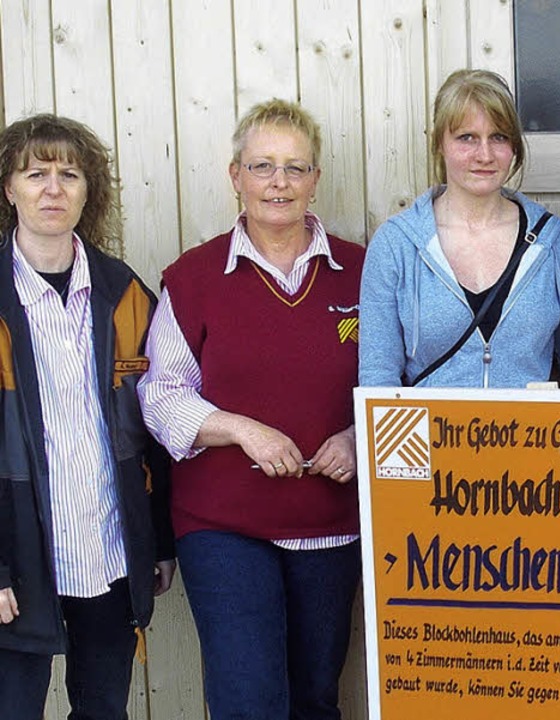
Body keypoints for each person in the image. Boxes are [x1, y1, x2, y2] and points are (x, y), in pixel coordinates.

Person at [138, 99, 363, 720]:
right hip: (224, 525)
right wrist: (241, 430)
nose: (279, 183)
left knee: (316, 697)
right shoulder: (193, 277)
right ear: (235, 175)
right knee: (248, 701)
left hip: (331, 521)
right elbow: (161, 397)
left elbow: (398, 382)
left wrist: (355, 434)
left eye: (295, 167)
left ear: (316, 179)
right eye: (262, 166)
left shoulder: (364, 273)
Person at [0, 114, 175, 720]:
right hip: (16, 557)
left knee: (103, 710)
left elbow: (154, 426)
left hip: (106, 549)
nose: (53, 188)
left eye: (69, 174)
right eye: (36, 173)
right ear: (10, 188)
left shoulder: (124, 292)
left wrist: (158, 538)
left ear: (87, 190)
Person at [360, 69, 560, 388]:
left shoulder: (553, 242)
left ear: (514, 146)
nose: (485, 155)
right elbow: (378, 374)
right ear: (440, 143)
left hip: (527, 436)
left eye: (499, 137)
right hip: (428, 436)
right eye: (467, 138)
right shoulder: (396, 245)